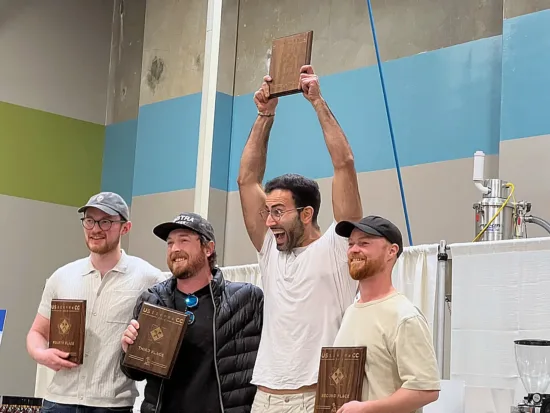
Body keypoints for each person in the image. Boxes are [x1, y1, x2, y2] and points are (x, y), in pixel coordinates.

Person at [237, 64, 363, 412]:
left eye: (279, 212)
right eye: (268, 211)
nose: (270, 220)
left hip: (316, 395)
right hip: (264, 397)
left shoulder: (339, 247)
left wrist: (317, 102)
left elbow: (345, 165)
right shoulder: (269, 250)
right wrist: (265, 114)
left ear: (306, 214)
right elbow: (247, 180)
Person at [26, 191, 166, 413]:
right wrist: (43, 355)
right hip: (59, 402)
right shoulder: (61, 276)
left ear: (125, 227)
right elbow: (36, 333)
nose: (96, 229)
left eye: (106, 221)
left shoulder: (149, 278)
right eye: (90, 220)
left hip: (112, 405)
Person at [120, 212, 264, 413]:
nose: (175, 249)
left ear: (208, 248)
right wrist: (129, 351)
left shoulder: (245, 299)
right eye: (170, 243)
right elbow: (134, 373)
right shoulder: (153, 300)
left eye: (184, 240)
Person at [332, 216, 440, 413]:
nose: (354, 249)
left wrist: (366, 409)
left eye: (364, 243)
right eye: (351, 244)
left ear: (391, 251)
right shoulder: (351, 312)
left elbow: (426, 389)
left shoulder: (404, 317)